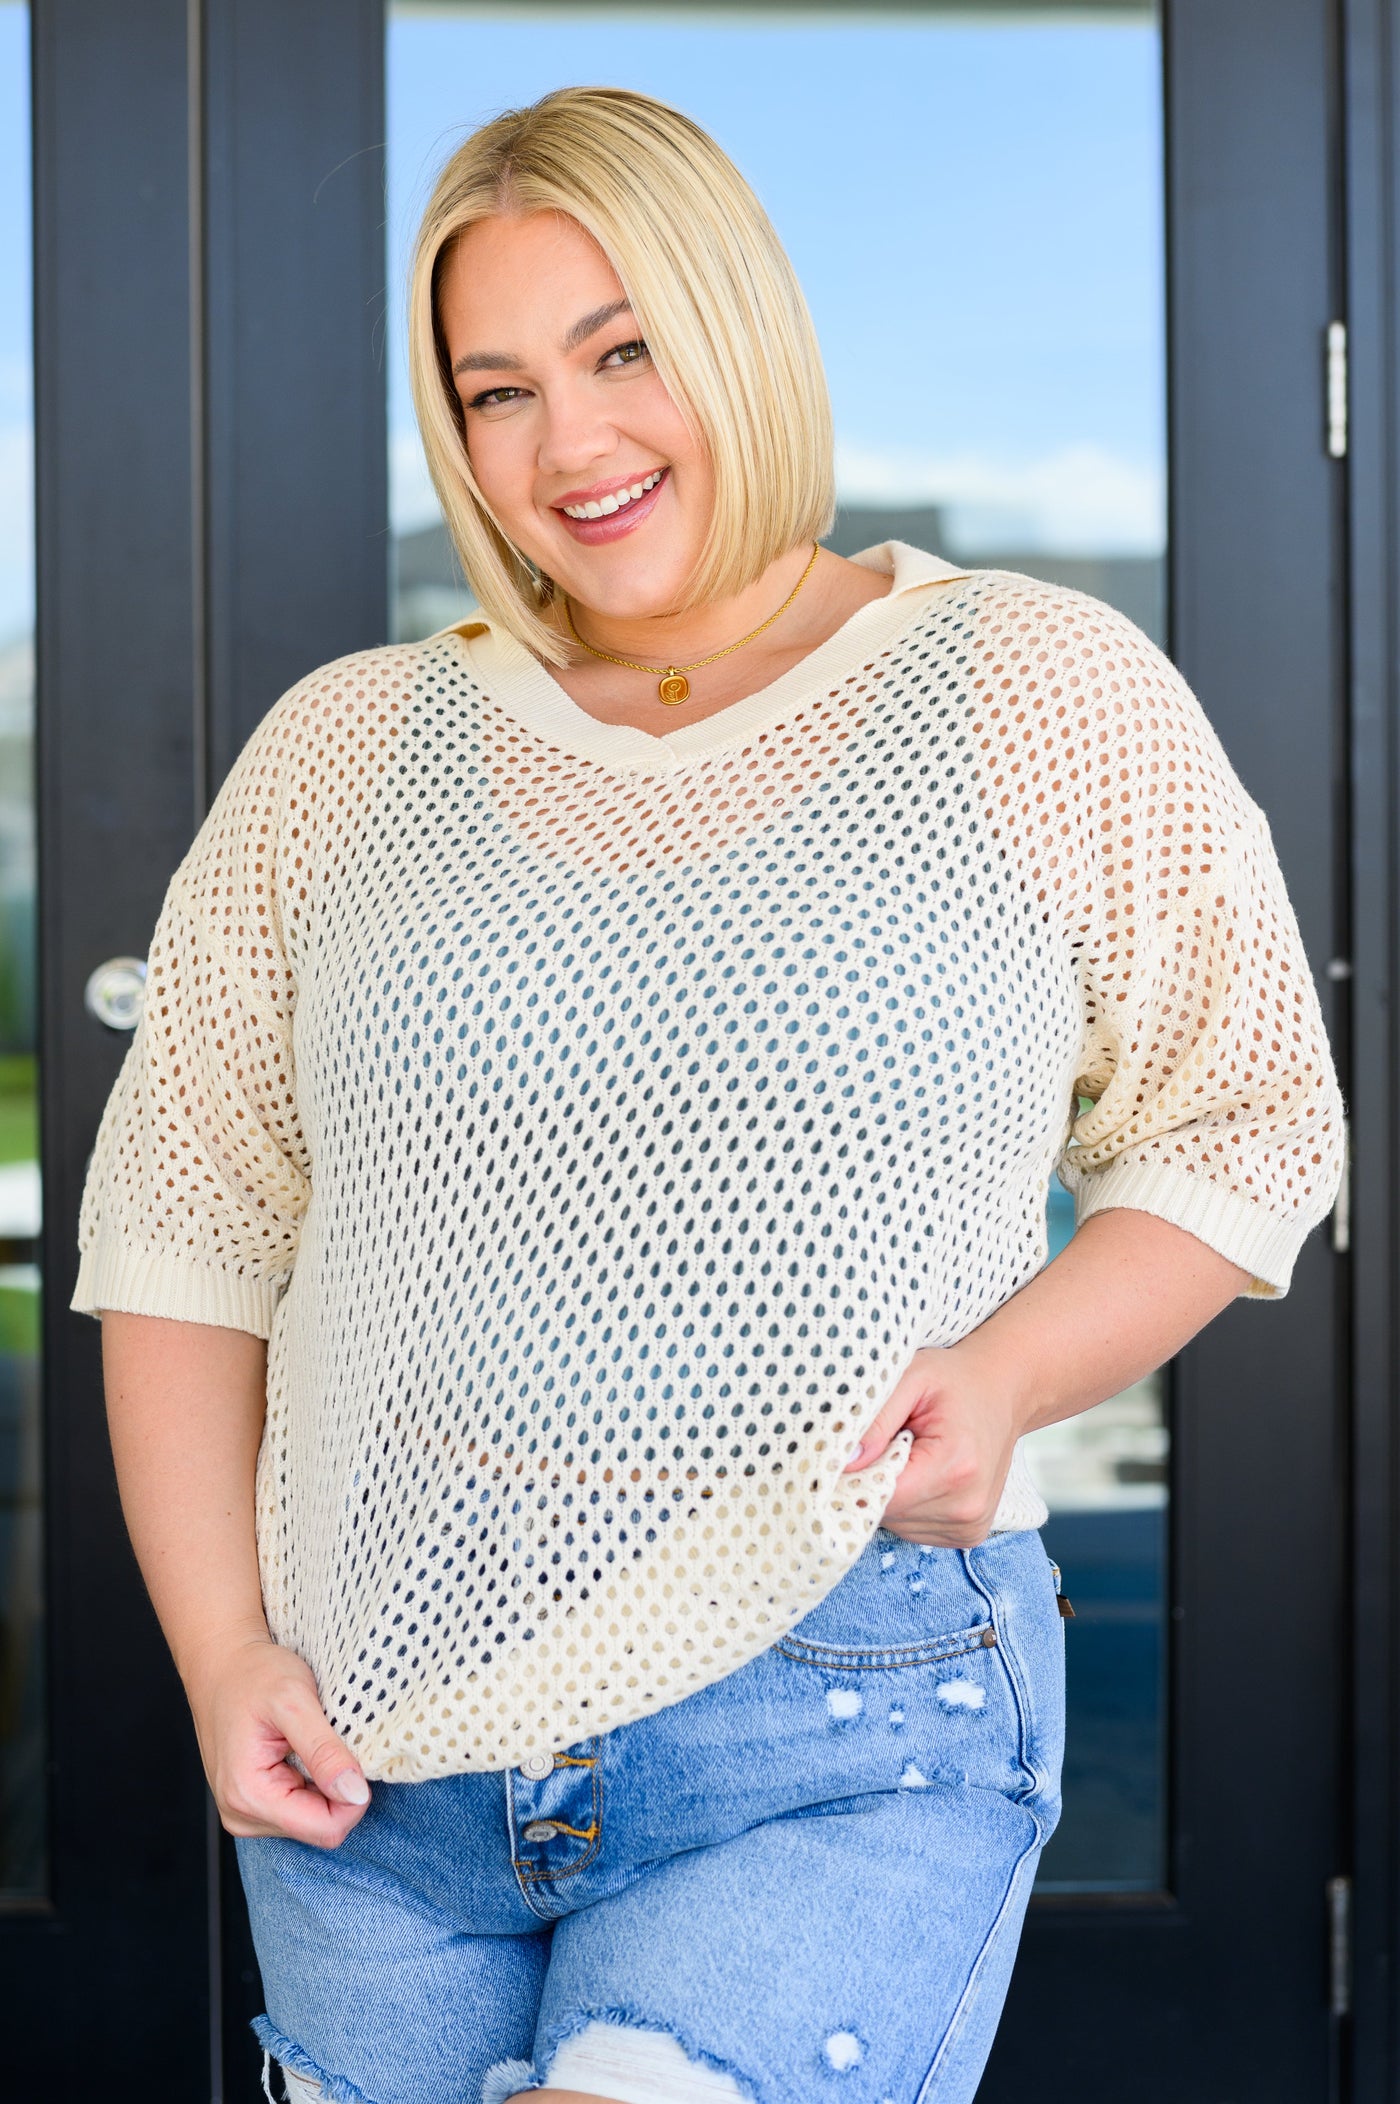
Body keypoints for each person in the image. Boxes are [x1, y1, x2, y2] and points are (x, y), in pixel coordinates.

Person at [72, 85, 1344, 2104]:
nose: (563, 441)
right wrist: (226, 1650)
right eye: (493, 390)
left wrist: (1009, 1371)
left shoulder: (1031, 682)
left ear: (737, 328)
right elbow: (185, 1226)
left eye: (620, 350)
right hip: (378, 1749)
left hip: (836, 1699)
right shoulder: (341, 753)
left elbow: (1243, 1115)